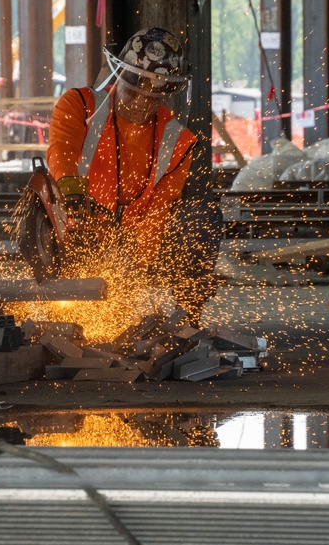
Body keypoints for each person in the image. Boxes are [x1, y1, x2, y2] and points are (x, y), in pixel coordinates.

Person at [46, 27, 221, 323]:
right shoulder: (79, 104)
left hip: (130, 240)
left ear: (168, 92)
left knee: (200, 218)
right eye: (136, 90)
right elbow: (60, 149)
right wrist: (70, 187)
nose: (142, 103)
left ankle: (188, 321)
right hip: (75, 228)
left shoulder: (178, 141)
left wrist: (134, 265)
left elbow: (159, 210)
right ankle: (51, 301)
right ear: (120, 76)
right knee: (36, 202)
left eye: (154, 97)